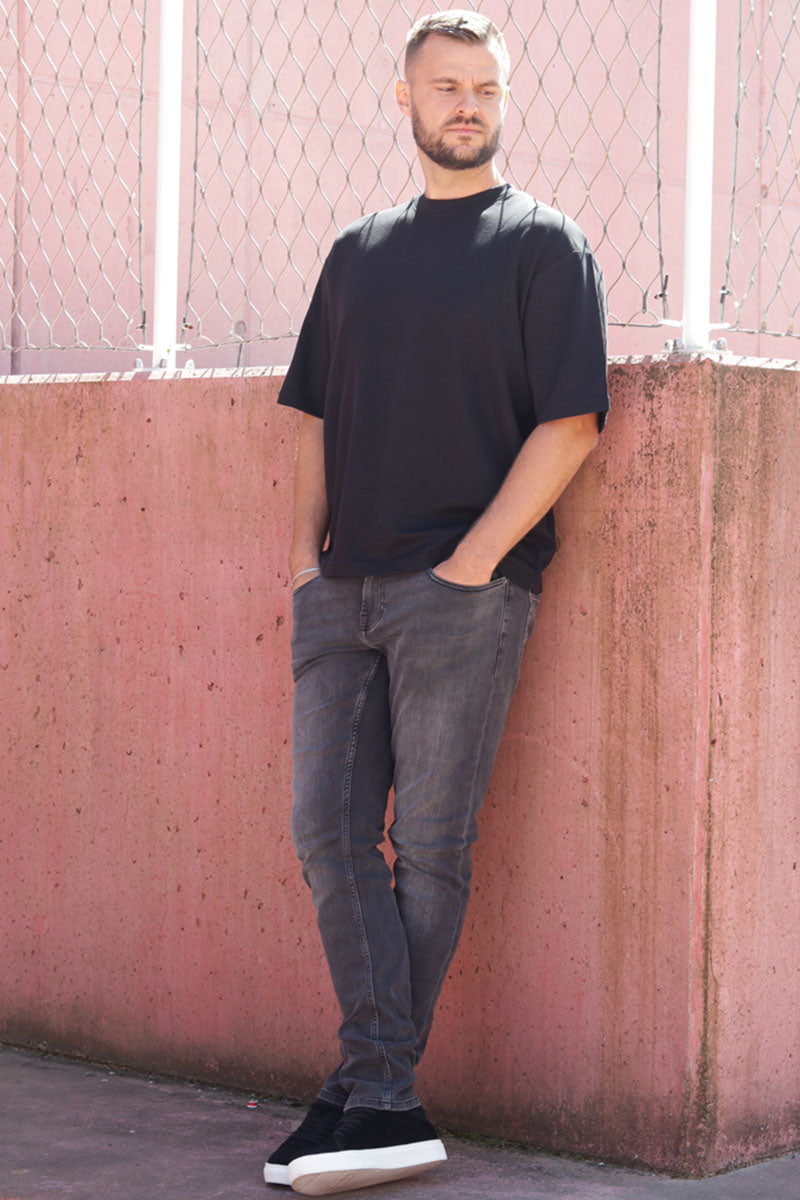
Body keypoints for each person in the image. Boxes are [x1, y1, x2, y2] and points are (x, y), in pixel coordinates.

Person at [264, 10, 609, 1195]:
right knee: (324, 829)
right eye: (445, 85)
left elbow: (570, 424)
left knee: (427, 845)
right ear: (402, 99)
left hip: (459, 595)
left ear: (501, 101)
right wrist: (304, 560)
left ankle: (367, 1095)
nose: (467, 104)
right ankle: (378, 1092)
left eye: (485, 87)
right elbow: (313, 417)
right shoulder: (355, 252)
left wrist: (471, 562)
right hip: (341, 592)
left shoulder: (542, 245)